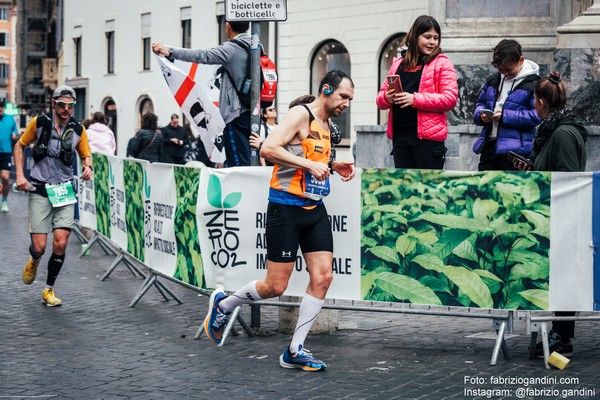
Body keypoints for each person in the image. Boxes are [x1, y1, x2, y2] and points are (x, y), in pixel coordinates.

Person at [202, 71, 356, 371]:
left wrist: (331, 165)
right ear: (326, 90)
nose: (346, 104)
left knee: (323, 277)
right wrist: (309, 164)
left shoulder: (325, 124)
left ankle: (295, 350)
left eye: (350, 99)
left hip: (314, 209)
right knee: (275, 286)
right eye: (343, 97)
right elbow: (269, 148)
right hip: (284, 209)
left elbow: (310, 158)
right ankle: (224, 304)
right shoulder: (302, 113)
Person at [512, 71, 587, 357]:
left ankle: (562, 335)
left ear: (541, 101)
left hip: (564, 214)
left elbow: (567, 177)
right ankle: (558, 333)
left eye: (534, 98)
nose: (533, 103)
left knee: (566, 275)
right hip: (551, 213)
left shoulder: (563, 133)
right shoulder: (551, 130)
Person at [13, 85, 93, 306]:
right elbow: (19, 146)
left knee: (60, 243)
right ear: (53, 103)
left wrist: (88, 167)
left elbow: (87, 156)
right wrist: (20, 175)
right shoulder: (39, 123)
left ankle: (49, 289)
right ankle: (34, 259)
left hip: (64, 191)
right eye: (62, 105)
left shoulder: (78, 129)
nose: (66, 109)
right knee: (39, 246)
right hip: (40, 190)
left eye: (70, 106)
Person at [152, 20, 252, 167]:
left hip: (235, 113)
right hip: (251, 111)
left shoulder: (231, 48)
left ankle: (241, 189)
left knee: (237, 164)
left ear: (228, 27)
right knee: (246, 157)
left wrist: (170, 51)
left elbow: (203, 55)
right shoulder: (255, 46)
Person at [376, 15, 458, 170]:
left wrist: (415, 99)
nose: (432, 42)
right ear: (415, 36)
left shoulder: (443, 64)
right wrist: (387, 98)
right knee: (405, 189)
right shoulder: (398, 64)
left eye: (436, 38)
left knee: (427, 190)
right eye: (427, 37)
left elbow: (450, 99)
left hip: (428, 141)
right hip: (400, 137)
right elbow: (380, 100)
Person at [473, 39, 541, 170]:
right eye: (501, 69)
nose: (505, 73)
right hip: (489, 146)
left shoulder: (533, 84)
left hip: (515, 151)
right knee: (484, 188)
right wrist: (480, 115)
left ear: (521, 60)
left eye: (509, 69)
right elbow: (480, 103)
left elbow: (536, 116)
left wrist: (505, 116)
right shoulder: (493, 79)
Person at [0, 100, 18, 212]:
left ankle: (4, 201)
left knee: (5, 178)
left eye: (1, 106)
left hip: (6, 152)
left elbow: (15, 130)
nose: (0, 108)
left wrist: (14, 135)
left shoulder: (10, 118)